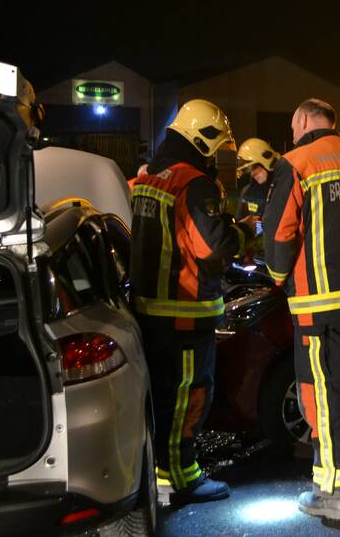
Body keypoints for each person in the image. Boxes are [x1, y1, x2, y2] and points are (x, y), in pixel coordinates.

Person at [262, 98, 340, 520]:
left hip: (321, 302)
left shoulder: (296, 163)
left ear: (300, 121)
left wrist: (277, 278)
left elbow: (280, 233)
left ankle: (333, 493)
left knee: (327, 396)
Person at [129, 99, 254, 505]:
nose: (219, 158)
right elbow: (211, 246)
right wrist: (243, 235)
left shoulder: (150, 178)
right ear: (203, 139)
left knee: (163, 395)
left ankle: (162, 471)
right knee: (189, 394)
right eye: (218, 149)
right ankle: (182, 477)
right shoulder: (194, 183)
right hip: (185, 313)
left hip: (151, 309)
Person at [235, 138, 280, 219]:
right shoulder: (246, 192)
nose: (253, 173)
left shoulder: (281, 191)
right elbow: (239, 219)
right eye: (249, 169)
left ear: (266, 163)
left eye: (255, 167)